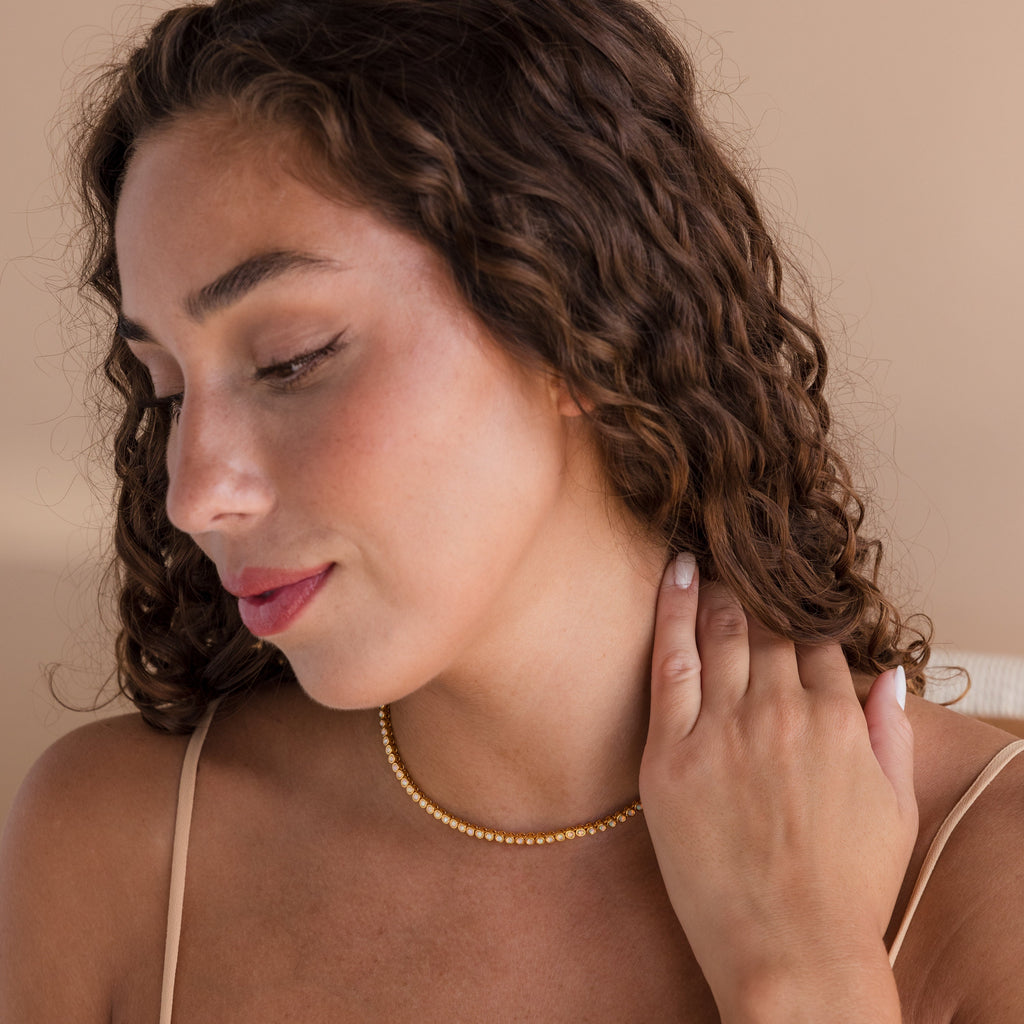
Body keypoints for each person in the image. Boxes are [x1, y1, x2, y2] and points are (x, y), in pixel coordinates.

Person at [1, 0, 1022, 1019]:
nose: (194, 493)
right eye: (168, 390)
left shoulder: (987, 866)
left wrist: (806, 968)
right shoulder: (117, 849)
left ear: (574, 319)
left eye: (290, 359)